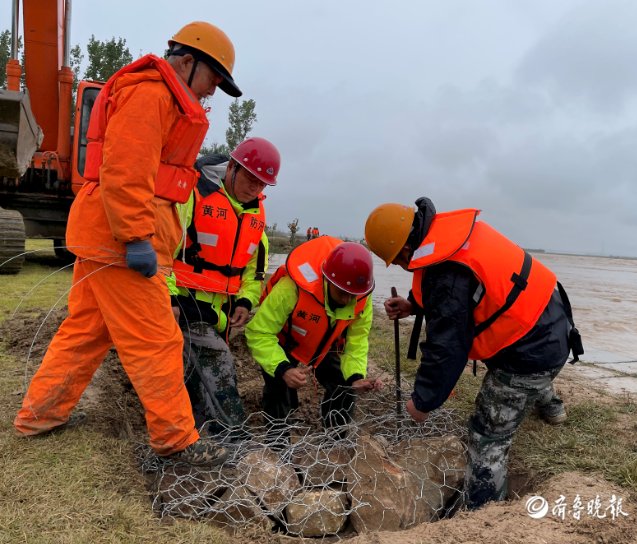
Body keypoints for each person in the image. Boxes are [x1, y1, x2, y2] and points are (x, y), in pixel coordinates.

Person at [14, 21, 243, 466]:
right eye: (215, 78)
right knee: (156, 340)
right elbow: (125, 172)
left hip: (106, 236)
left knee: (84, 334)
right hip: (121, 242)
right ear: (189, 61)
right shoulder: (152, 94)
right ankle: (177, 441)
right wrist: (137, 236)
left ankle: (39, 416)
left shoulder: (161, 96)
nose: (215, 90)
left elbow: (142, 170)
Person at [364, 197, 583, 509]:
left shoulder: (446, 273)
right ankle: (551, 404)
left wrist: (423, 401)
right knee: (521, 356)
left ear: (404, 250)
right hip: (551, 320)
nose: (401, 266)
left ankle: (483, 510)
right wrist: (414, 303)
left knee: (487, 435)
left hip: (534, 347)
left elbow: (446, 348)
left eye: (398, 261)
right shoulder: (447, 235)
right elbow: (462, 286)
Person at [169, 137, 280, 436]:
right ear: (232, 167)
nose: (255, 188)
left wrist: (245, 302)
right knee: (216, 362)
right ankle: (230, 434)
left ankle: (197, 427)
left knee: (195, 370)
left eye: (262, 184)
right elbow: (162, 249)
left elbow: (254, 270)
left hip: (221, 313)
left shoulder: (255, 213)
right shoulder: (193, 194)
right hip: (183, 302)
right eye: (250, 179)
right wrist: (167, 299)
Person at [245, 238, 382, 443]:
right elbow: (258, 332)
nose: (347, 300)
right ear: (328, 280)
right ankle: (278, 447)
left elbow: (357, 341)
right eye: (342, 293)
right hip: (285, 342)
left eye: (352, 295)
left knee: (344, 385)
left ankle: (335, 442)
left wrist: (355, 376)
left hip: (326, 344)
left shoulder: (360, 296)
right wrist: (283, 369)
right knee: (279, 389)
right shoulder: (292, 287)